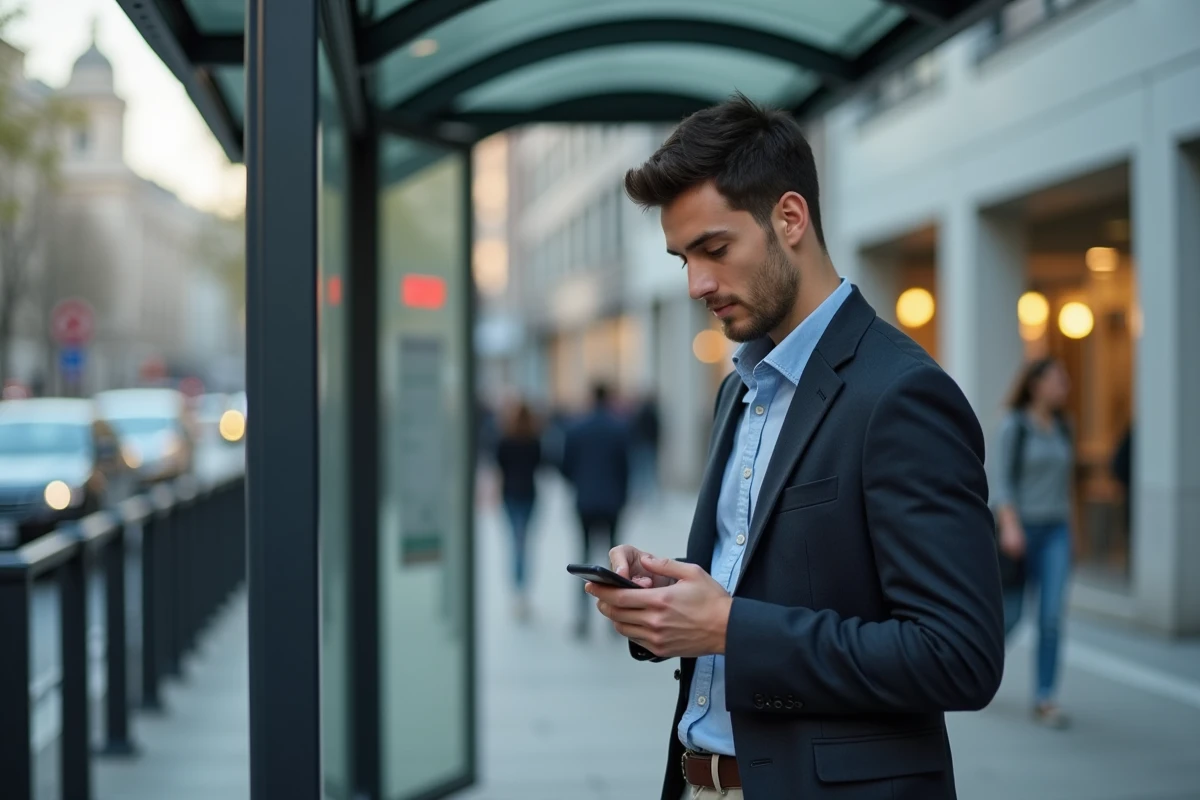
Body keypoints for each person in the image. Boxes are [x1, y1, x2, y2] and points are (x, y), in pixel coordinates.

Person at [584, 93, 1004, 799]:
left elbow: (958, 657)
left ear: (789, 218)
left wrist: (730, 629)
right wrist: (668, 598)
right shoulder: (740, 387)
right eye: (682, 257)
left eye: (714, 249)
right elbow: (772, 577)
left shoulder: (902, 396)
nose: (697, 284)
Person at [993, 357, 1075, 729]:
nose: (1064, 386)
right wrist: (1010, 526)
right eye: (1057, 379)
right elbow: (1002, 482)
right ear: (1036, 384)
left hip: (1056, 531)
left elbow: (1067, 485)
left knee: (1052, 616)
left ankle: (1045, 697)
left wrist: (1075, 533)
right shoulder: (1015, 426)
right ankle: (976, 666)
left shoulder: (1063, 426)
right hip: (1021, 533)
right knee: (1011, 617)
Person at [561, 382, 633, 638]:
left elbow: (565, 466)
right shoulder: (619, 427)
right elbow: (626, 467)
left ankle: (582, 619)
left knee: (584, 556)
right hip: (612, 500)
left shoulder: (577, 427)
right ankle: (615, 618)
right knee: (616, 562)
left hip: (586, 500)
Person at [494, 401, 543, 621]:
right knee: (523, 543)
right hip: (528, 494)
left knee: (515, 541)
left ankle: (518, 590)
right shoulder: (533, 440)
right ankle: (521, 591)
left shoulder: (505, 440)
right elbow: (540, 464)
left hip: (510, 495)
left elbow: (499, 466)